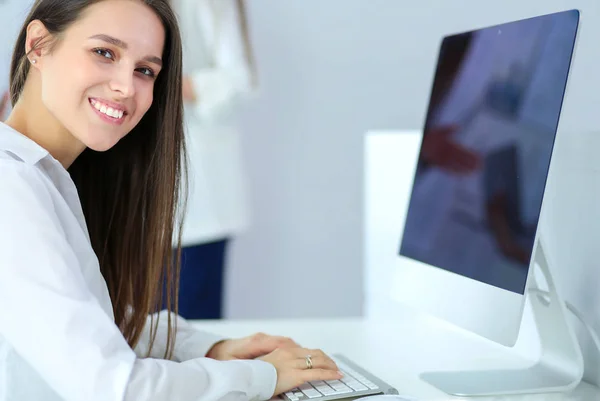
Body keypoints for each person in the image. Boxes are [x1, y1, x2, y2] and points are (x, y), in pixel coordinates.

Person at [0, 1, 342, 400]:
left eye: (145, 70)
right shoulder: (12, 187)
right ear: (38, 44)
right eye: (104, 52)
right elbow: (115, 387)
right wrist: (259, 377)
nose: (127, 87)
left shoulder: (43, 178)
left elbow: (78, 316)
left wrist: (208, 349)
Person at [171, 0, 256, 319]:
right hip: (136, 195)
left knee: (191, 330)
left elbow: (240, 79)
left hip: (199, 204)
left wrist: (155, 80)